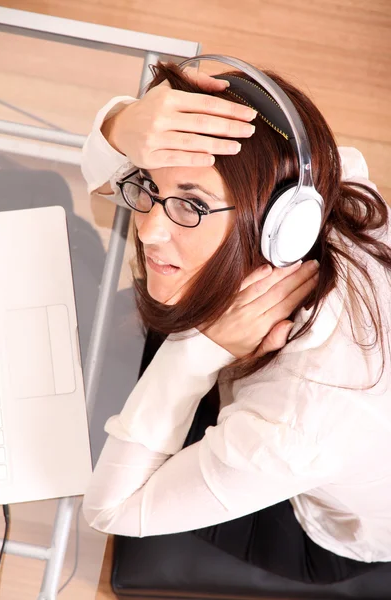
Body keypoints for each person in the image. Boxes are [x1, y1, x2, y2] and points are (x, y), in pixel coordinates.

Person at [81, 61, 391, 585]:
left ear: (284, 226)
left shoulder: (295, 424)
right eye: (149, 185)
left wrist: (197, 351)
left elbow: (110, 509)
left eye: (191, 205)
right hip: (306, 432)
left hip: (315, 526)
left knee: (93, 420)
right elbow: (111, 172)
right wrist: (122, 126)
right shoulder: (321, 178)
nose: (152, 230)